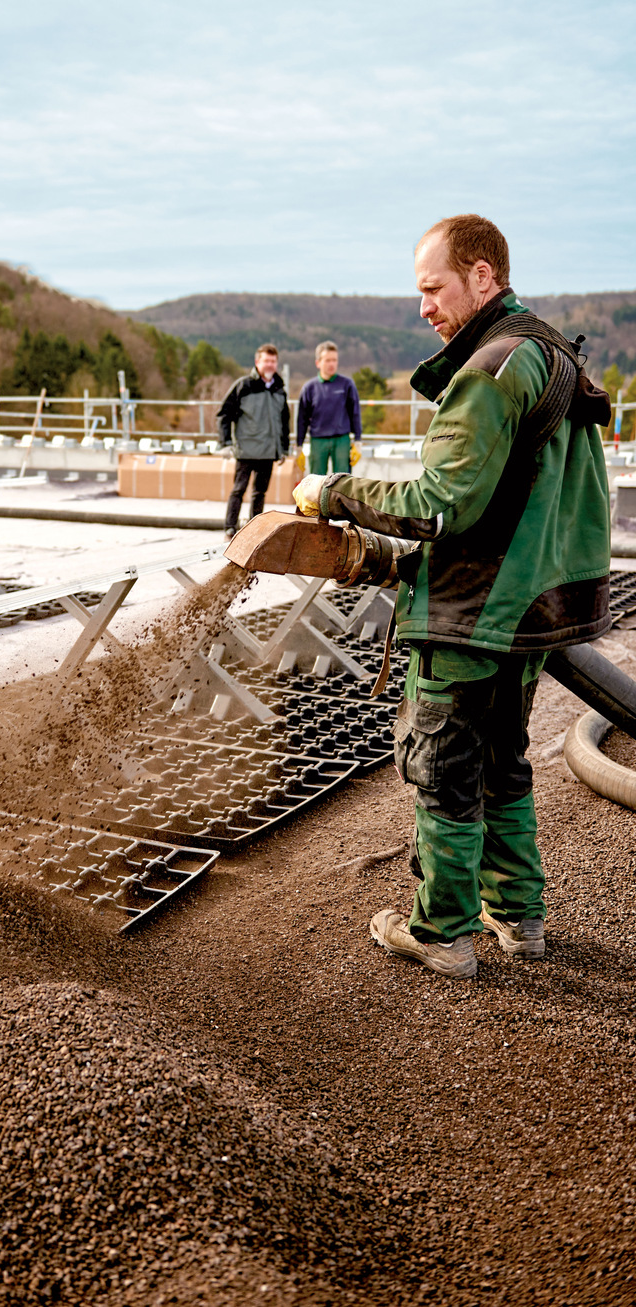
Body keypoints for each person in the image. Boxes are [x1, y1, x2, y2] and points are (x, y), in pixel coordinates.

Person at [293, 213, 611, 980]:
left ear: (482, 277)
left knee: (443, 766)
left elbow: (439, 504)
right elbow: (514, 498)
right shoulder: (551, 355)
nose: (424, 307)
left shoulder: (493, 366)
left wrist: (331, 490)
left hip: (477, 608)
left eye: (433, 288)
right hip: (533, 611)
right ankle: (520, 917)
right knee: (504, 759)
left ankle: (442, 932)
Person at [217, 343, 290, 539]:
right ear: (257, 362)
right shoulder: (244, 386)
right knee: (238, 490)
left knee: (260, 493)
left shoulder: (279, 390)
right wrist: (225, 443)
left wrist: (283, 448)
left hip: (268, 451)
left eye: (273, 361)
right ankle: (229, 528)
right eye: (266, 360)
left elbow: (284, 422)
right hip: (246, 450)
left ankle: (254, 530)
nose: (269, 364)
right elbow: (224, 414)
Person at [296, 341, 362, 476]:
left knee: (342, 483)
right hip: (318, 440)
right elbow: (302, 419)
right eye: (327, 360)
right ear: (318, 363)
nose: (331, 364)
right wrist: (299, 446)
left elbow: (354, 413)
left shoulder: (347, 385)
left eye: (334, 360)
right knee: (317, 482)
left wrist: (358, 441)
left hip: (342, 440)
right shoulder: (309, 388)